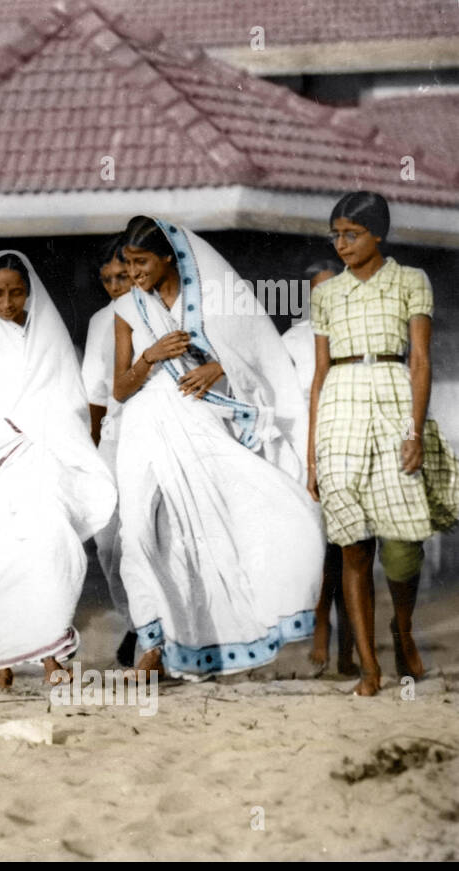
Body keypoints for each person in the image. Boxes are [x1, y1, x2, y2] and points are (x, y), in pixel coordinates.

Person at [111, 216, 324, 680]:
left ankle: (185, 648)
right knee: (139, 534)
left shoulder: (212, 299)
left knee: (207, 533)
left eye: (142, 261)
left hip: (201, 423)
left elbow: (257, 353)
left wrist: (217, 367)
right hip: (145, 430)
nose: (134, 272)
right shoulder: (129, 310)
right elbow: (121, 389)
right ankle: (151, 644)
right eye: (128, 263)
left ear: (170, 257)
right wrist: (151, 357)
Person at [0, 251, 115, 690]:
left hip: (37, 464)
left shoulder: (48, 342)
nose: (6, 301)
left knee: (50, 551)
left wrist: (57, 439)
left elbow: (70, 406)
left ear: (29, 292)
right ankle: (5, 662)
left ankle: (53, 660)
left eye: (16, 292)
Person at [308, 191, 459, 696]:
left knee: (402, 547)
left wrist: (414, 430)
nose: (342, 243)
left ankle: (404, 629)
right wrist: (313, 455)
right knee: (352, 544)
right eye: (336, 234)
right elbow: (320, 373)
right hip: (340, 408)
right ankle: (370, 668)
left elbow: (419, 361)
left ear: (378, 234)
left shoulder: (411, 281)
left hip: (394, 399)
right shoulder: (327, 294)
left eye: (352, 233)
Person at [282, 258, 355, 677]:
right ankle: (322, 630)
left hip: (349, 449)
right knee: (320, 552)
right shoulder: (293, 341)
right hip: (307, 456)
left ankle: (346, 646)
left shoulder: (356, 335)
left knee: (351, 551)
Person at [79, 235, 136, 665]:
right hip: (115, 440)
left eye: (124, 276)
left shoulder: (162, 313)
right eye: (108, 279)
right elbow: (96, 398)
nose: (117, 285)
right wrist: (94, 458)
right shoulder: (101, 321)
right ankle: (137, 624)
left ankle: (160, 636)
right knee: (109, 542)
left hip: (160, 435)